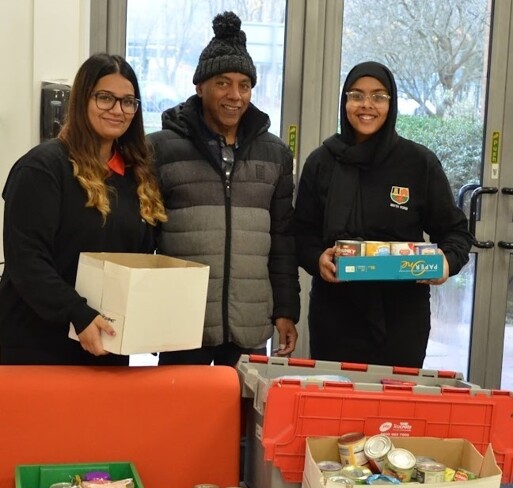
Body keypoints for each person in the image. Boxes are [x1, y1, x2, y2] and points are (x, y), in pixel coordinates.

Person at [294, 61, 473, 368]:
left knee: (396, 398)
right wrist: (317, 259)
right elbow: (301, 233)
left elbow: (456, 231)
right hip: (336, 314)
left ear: (391, 103)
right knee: (337, 396)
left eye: (378, 96)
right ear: (345, 102)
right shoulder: (322, 162)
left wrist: (446, 262)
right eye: (357, 95)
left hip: (402, 318)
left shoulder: (418, 163)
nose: (367, 105)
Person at [149, 11, 300, 367]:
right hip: (182, 325)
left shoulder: (275, 154)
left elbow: (282, 240)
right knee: (181, 405)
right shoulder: (160, 150)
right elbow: (142, 241)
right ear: (199, 86)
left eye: (244, 85)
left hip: (250, 323)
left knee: (243, 406)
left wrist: (286, 310)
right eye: (223, 83)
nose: (235, 95)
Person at [0, 53, 167, 365]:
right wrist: (77, 313)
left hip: (106, 345)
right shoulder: (43, 168)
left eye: (128, 101)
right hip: (37, 346)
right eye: (105, 98)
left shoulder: (138, 176)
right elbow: (27, 260)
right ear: (81, 100)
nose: (117, 110)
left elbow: (139, 261)